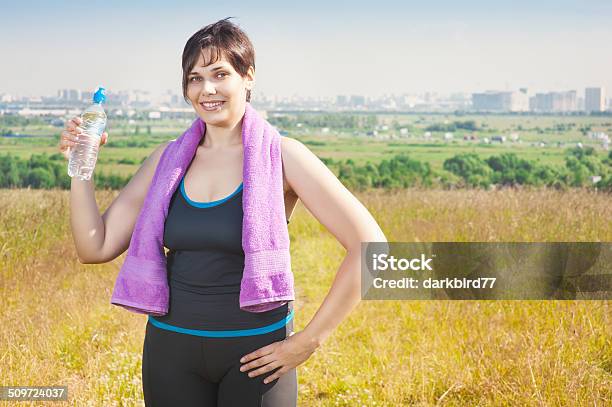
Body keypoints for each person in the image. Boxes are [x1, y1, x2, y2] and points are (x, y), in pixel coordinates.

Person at [59, 17, 387, 407]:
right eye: (194, 78)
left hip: (258, 359)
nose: (207, 89)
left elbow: (372, 247)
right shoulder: (165, 161)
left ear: (248, 78)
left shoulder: (283, 156)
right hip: (170, 352)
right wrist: (80, 167)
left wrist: (308, 341)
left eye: (220, 73)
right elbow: (93, 247)